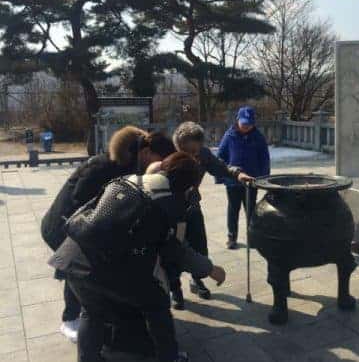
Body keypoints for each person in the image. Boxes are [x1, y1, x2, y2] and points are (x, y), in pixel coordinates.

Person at [49, 152, 227, 362]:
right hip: (107, 267)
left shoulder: (129, 179)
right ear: (189, 185)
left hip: (74, 257)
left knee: (91, 312)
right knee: (157, 307)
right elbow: (177, 251)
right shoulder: (171, 203)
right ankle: (169, 357)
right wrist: (210, 269)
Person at [41, 127, 176, 343]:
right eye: (160, 160)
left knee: (85, 266)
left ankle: (97, 314)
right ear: (148, 153)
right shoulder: (104, 165)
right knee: (76, 264)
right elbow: (78, 200)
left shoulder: (134, 166)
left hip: (85, 225)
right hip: (63, 224)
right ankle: (70, 319)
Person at [167, 121, 254, 309]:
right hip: (172, 210)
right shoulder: (168, 156)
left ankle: (197, 280)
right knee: (173, 247)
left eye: (196, 152)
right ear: (178, 147)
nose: (194, 157)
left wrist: (238, 174)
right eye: (189, 153)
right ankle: (175, 289)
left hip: (192, 205)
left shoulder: (204, 155)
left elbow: (220, 167)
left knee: (199, 244)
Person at [217, 106, 270, 249]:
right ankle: (231, 236)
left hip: (252, 180)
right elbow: (220, 157)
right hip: (233, 181)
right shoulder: (229, 136)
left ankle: (253, 236)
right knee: (233, 208)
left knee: (251, 209)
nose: (246, 126)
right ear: (237, 121)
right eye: (244, 123)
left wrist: (264, 178)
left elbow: (264, 159)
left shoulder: (258, 137)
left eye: (249, 124)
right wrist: (222, 176)